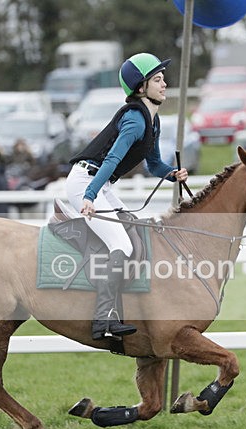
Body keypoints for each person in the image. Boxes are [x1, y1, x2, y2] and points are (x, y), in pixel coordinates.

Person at [67, 52, 188, 340]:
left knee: (132, 230)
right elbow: (110, 160)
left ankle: (120, 309)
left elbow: (154, 165)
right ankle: (102, 318)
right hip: (86, 182)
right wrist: (89, 196)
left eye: (163, 79)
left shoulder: (152, 121)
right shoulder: (135, 120)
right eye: (157, 80)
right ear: (141, 88)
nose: (164, 84)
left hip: (100, 184)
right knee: (120, 241)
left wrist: (172, 173)